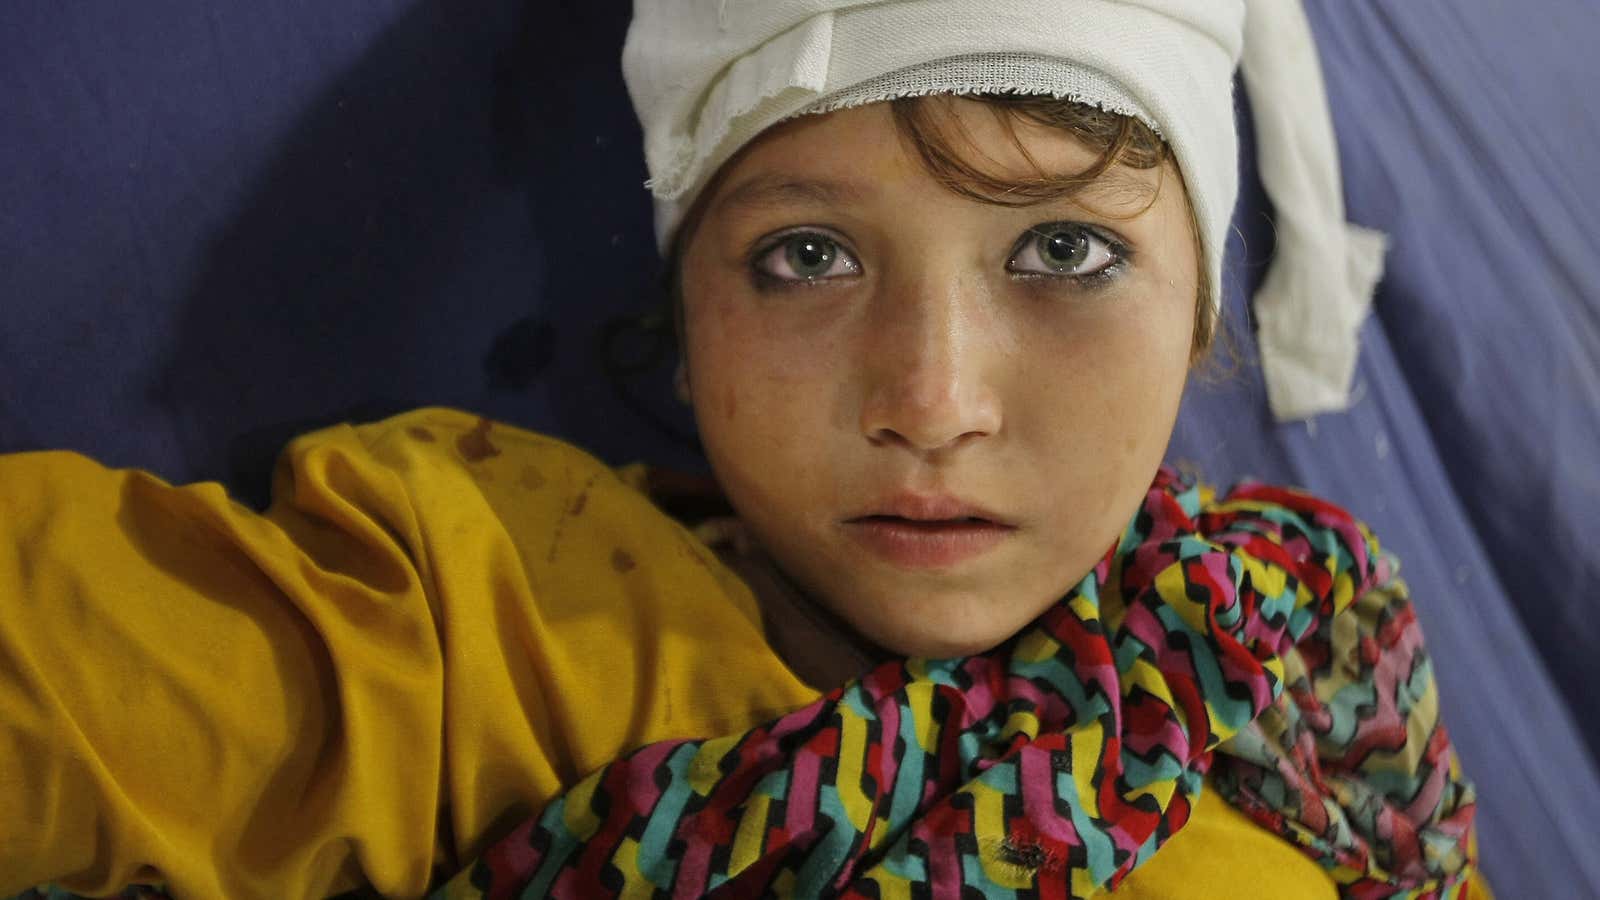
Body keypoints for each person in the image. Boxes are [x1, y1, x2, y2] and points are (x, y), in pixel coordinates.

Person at [1, 1, 1486, 897]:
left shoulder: (1304, 660)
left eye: (1062, 250)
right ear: (685, 308)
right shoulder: (483, 617)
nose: (934, 400)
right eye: (811, 255)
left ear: (1196, 322)